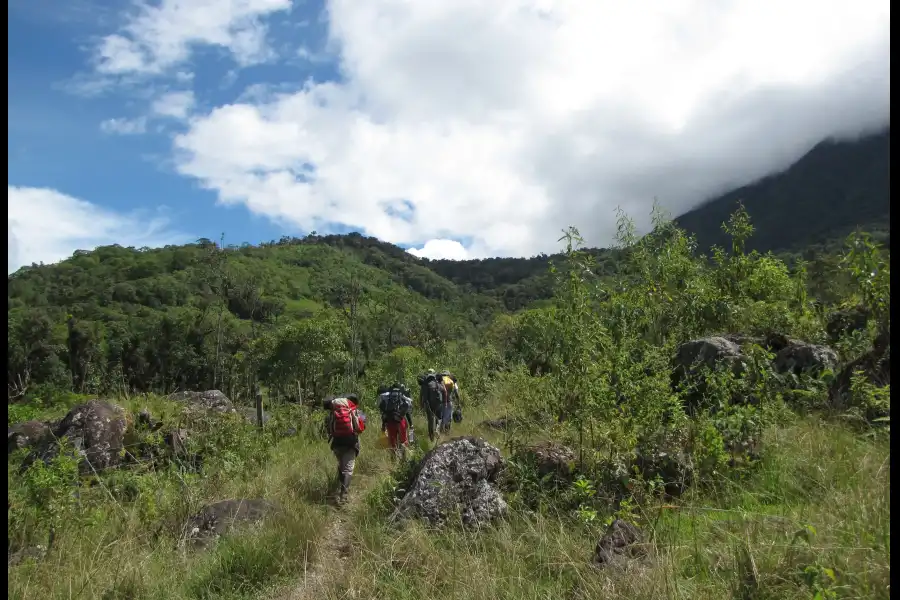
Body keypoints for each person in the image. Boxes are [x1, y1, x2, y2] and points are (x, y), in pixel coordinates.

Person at [323, 393, 366, 504]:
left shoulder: (332, 413)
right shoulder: (356, 411)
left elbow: (328, 430)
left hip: (336, 443)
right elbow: (361, 427)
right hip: (350, 442)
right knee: (348, 469)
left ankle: (339, 489)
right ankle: (344, 495)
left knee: (341, 466)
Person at [378, 382, 414, 460]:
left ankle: (393, 461)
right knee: (403, 441)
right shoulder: (402, 397)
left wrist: (383, 426)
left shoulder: (386, 399)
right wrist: (411, 424)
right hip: (401, 422)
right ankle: (404, 460)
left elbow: (384, 414)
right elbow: (407, 412)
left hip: (390, 422)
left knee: (392, 444)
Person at [419, 369, 448, 442]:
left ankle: (431, 437)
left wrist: (421, 405)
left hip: (428, 405)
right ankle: (437, 428)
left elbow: (422, 396)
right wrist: (445, 402)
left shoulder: (425, 384)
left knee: (430, 421)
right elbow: (444, 391)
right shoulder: (437, 383)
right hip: (438, 404)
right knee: (438, 418)